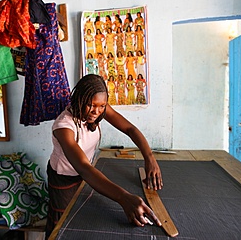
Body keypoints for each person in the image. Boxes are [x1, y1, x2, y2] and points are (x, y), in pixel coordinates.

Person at [45, 74, 163, 239]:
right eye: (91, 105)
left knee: (82, 218)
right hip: (63, 180)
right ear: (79, 99)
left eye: (102, 106)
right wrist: (124, 198)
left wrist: (150, 158)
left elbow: (130, 129)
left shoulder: (98, 110)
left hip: (85, 175)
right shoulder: (64, 126)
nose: (97, 111)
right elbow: (84, 167)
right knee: (62, 226)